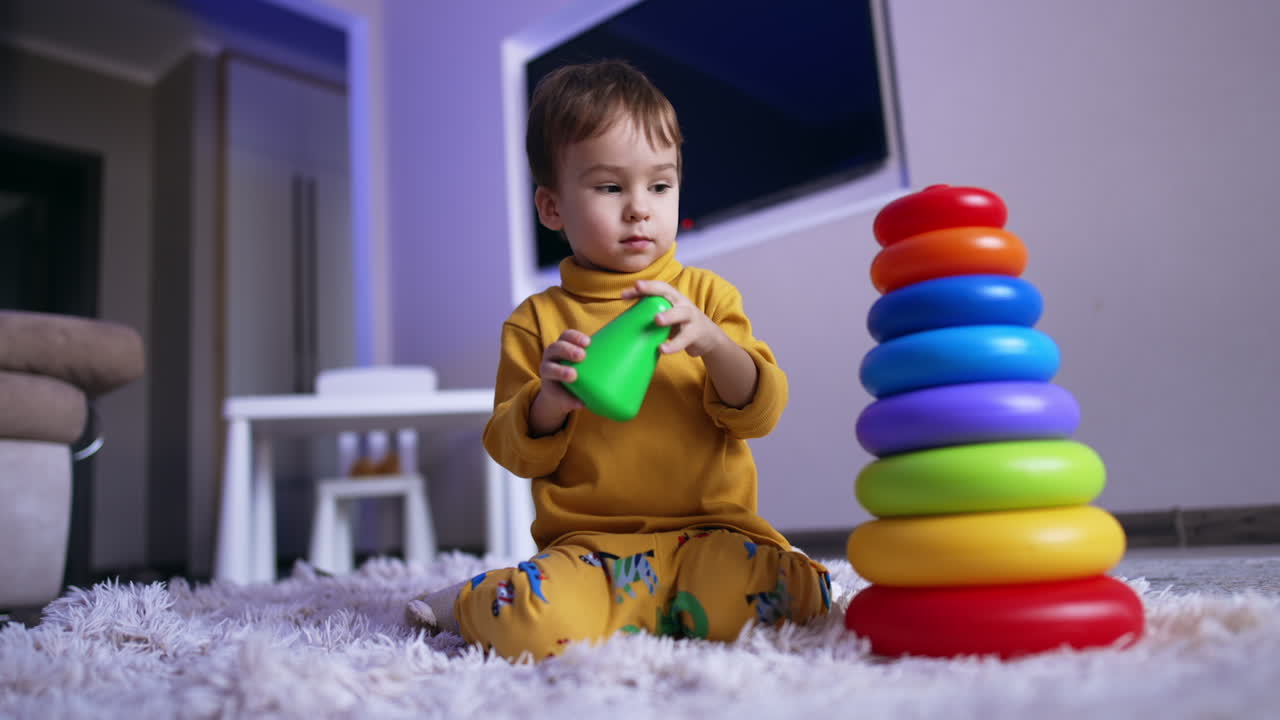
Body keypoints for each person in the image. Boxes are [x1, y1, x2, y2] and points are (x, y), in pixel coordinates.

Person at [407, 59, 830, 660]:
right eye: (610, 187)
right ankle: (468, 599)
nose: (639, 208)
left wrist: (711, 341)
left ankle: (659, 612)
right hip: (590, 550)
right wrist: (551, 399)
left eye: (659, 185)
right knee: (528, 624)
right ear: (552, 209)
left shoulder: (707, 298)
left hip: (711, 535)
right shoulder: (536, 321)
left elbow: (759, 413)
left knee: (795, 597)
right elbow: (509, 447)